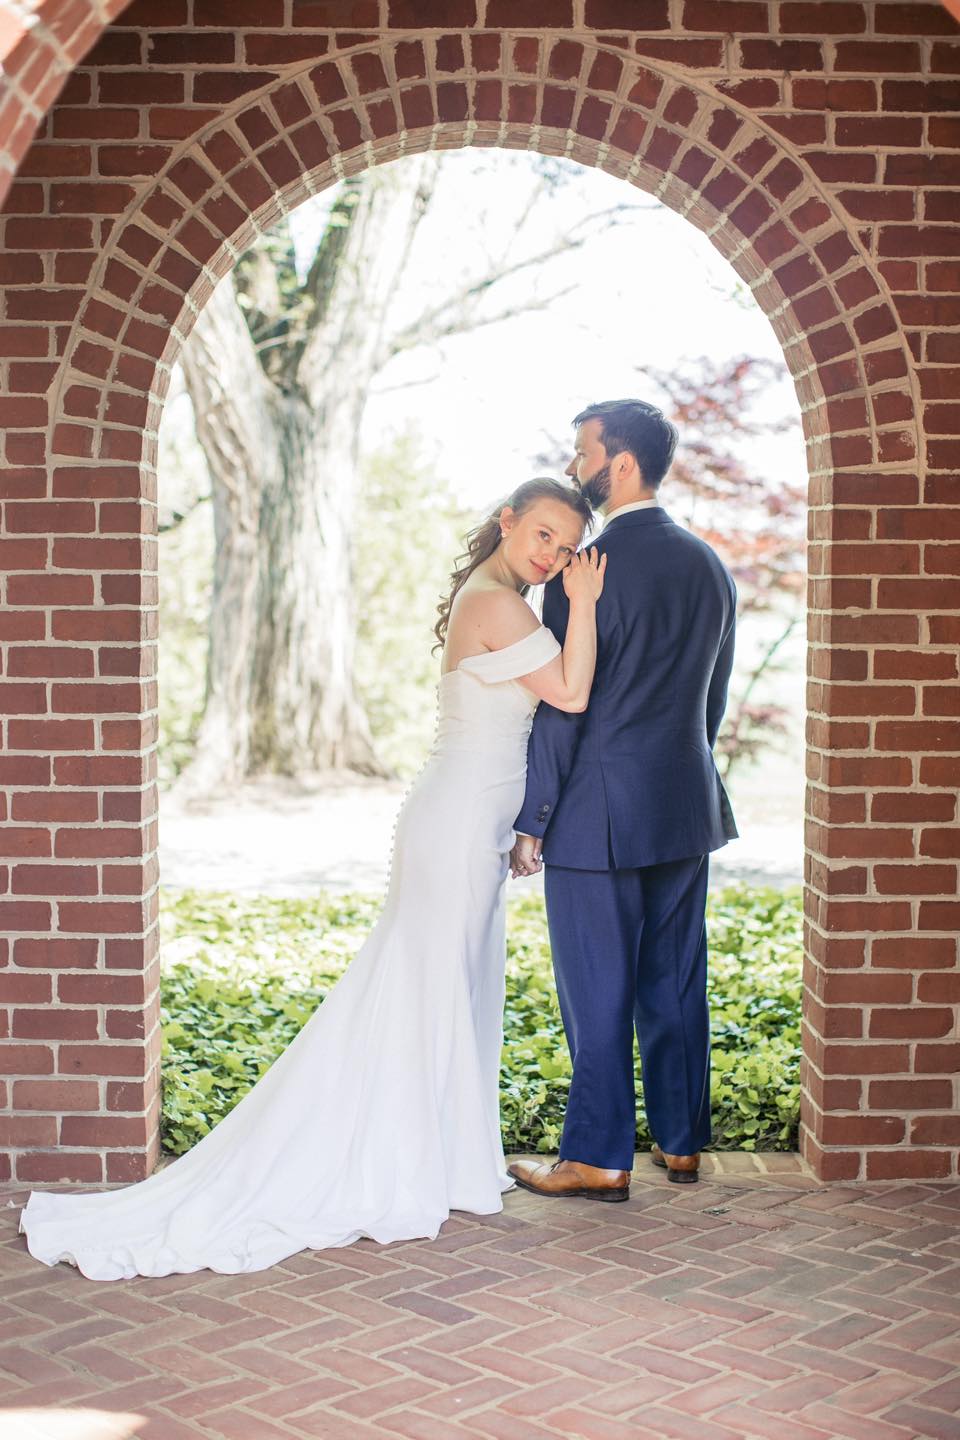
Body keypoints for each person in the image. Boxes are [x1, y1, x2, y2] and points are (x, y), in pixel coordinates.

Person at [17, 477, 604, 1282]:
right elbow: (569, 693)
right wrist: (589, 598)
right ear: (507, 521)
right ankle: (404, 1162)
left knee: (443, 985)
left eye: (567, 547)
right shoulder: (500, 602)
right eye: (544, 535)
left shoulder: (504, 595)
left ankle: (443, 1156)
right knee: (428, 985)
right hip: (459, 816)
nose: (554, 556)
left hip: (471, 816)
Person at [508, 400, 738, 1202]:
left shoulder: (584, 571)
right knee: (675, 978)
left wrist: (534, 818)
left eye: (584, 453)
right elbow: (712, 699)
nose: (576, 469)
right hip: (683, 800)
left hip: (595, 815)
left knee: (596, 988)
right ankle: (680, 1142)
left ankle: (597, 1156)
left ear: (623, 463)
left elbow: (567, 708)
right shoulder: (710, 564)